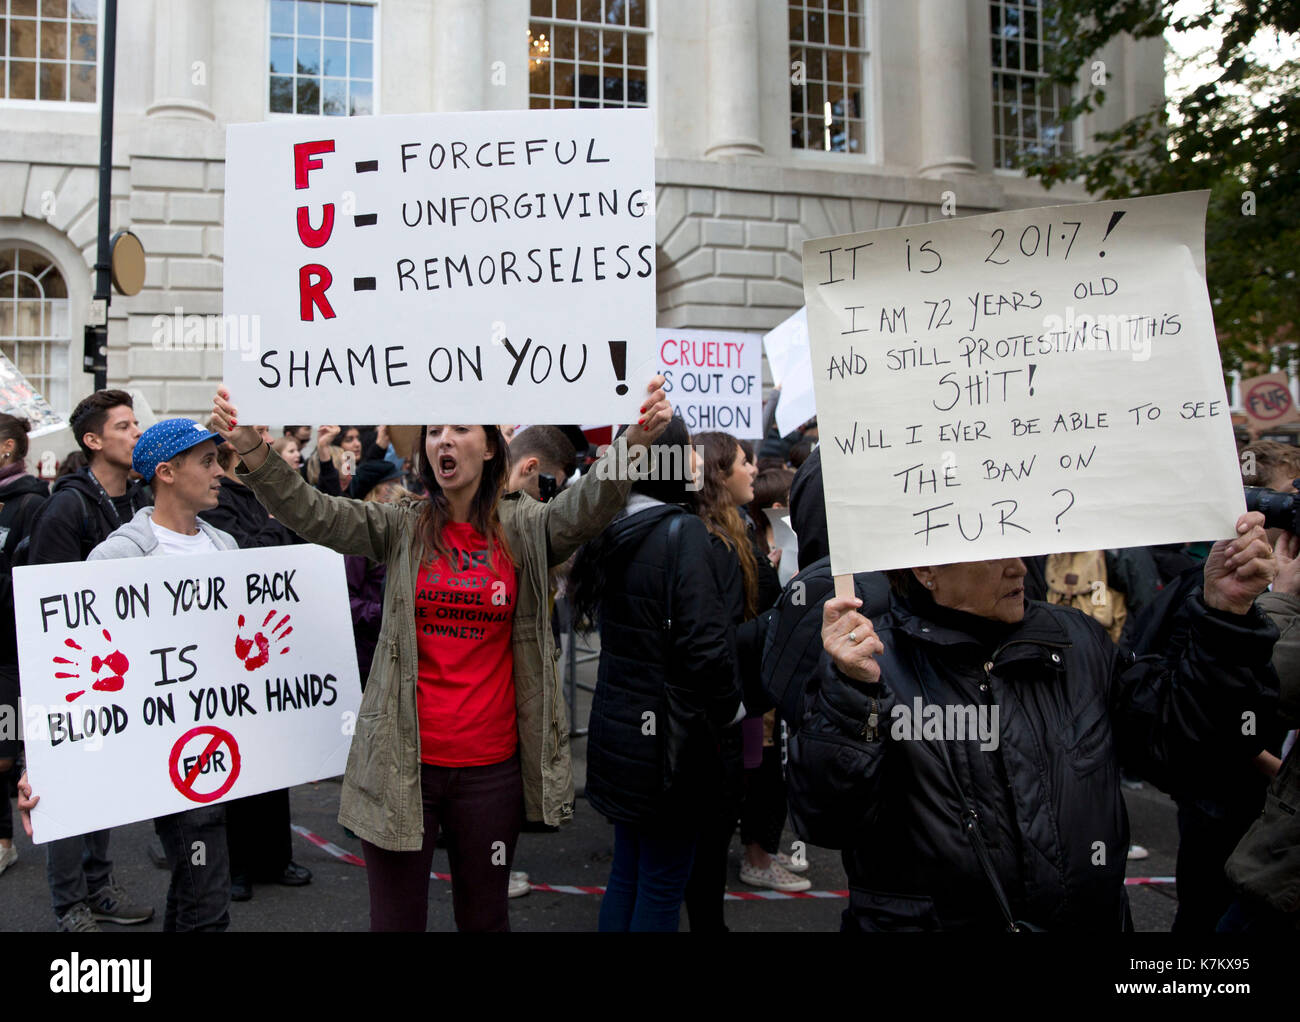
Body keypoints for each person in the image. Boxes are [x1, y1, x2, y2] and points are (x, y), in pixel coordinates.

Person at [211, 377, 673, 931]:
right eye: (434, 431)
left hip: (491, 773)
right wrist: (253, 450)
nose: (444, 441)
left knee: (485, 919)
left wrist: (637, 441)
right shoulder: (400, 524)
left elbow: (590, 504)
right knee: (397, 922)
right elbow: (314, 513)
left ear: (490, 446)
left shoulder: (527, 526)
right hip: (401, 765)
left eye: (460, 428)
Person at [786, 512, 1279, 931]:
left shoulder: (1078, 642)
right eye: (995, 552)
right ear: (926, 567)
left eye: (1021, 547)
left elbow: (1186, 753)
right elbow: (829, 817)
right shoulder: (871, 663)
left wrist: (1226, 617)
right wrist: (851, 697)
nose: (1019, 567)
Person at [20, 418, 239, 931]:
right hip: (164, 753)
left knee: (197, 884)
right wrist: (42, 762)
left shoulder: (225, 546)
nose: (219, 473)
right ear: (166, 472)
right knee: (207, 891)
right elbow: (69, 660)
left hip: (221, 747)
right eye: (207, 462)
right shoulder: (119, 555)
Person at [569, 418, 742, 930]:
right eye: (686, 450)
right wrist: (732, 708)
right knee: (663, 881)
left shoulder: (612, 526)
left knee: (629, 870)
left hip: (623, 731)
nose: (695, 461)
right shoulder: (681, 531)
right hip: (671, 741)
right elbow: (706, 647)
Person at [22, 390, 153, 932]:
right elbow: (44, 601)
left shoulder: (139, 502)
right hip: (72, 674)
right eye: (124, 427)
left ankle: (100, 887)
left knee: (107, 782)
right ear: (94, 441)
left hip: (120, 670)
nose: (136, 433)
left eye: (136, 424)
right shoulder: (67, 505)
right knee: (66, 783)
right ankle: (69, 903)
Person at [198, 428, 312, 904]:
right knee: (236, 763)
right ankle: (237, 866)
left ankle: (273, 856)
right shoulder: (220, 501)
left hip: (269, 644)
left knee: (272, 758)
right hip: (231, 645)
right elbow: (249, 558)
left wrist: (273, 520)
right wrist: (273, 522)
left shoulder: (260, 495)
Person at [0, 413, 48, 877]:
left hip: (9, 652)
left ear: (7, 449)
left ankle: (4, 841)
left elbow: (26, 576)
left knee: (4, 749)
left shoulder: (32, 501)